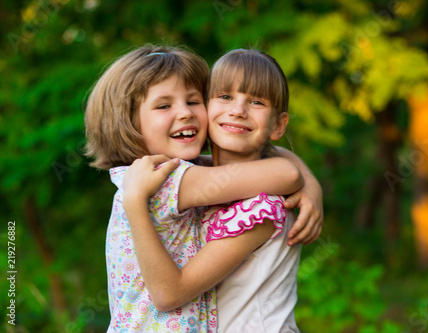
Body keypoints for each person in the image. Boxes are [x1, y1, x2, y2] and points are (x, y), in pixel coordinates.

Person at [84, 44, 322, 332]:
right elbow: (285, 173)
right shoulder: (168, 179)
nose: (184, 113)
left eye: (193, 101)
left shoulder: (172, 173)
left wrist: (308, 182)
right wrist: (304, 179)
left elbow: (275, 170)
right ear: (128, 123)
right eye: (164, 105)